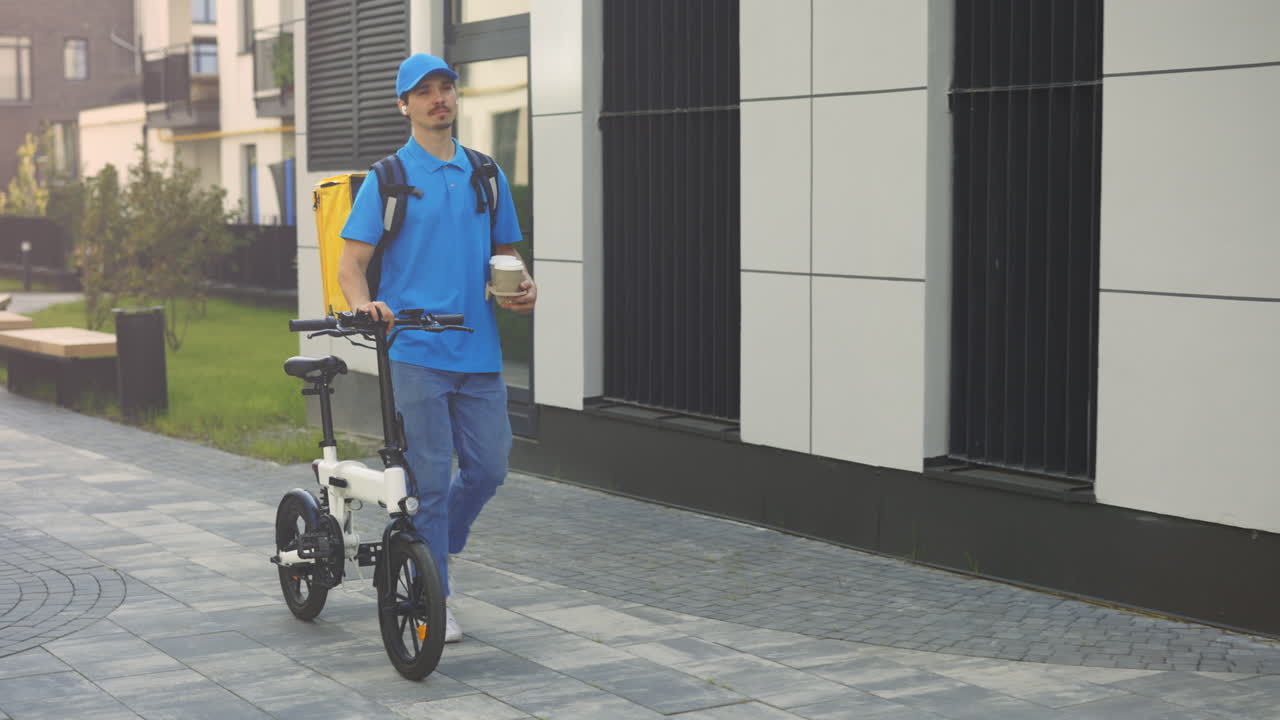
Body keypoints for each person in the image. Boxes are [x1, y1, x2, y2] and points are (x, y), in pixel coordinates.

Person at [337, 53, 535, 643]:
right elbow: (353, 263)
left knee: (490, 467)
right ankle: (434, 595)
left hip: (478, 351)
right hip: (414, 351)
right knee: (428, 475)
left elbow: (509, 258)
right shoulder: (389, 178)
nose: (437, 99)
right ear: (405, 106)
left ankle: (428, 548)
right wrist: (365, 304)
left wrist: (524, 287)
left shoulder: (486, 172)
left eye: (445, 88)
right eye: (423, 92)